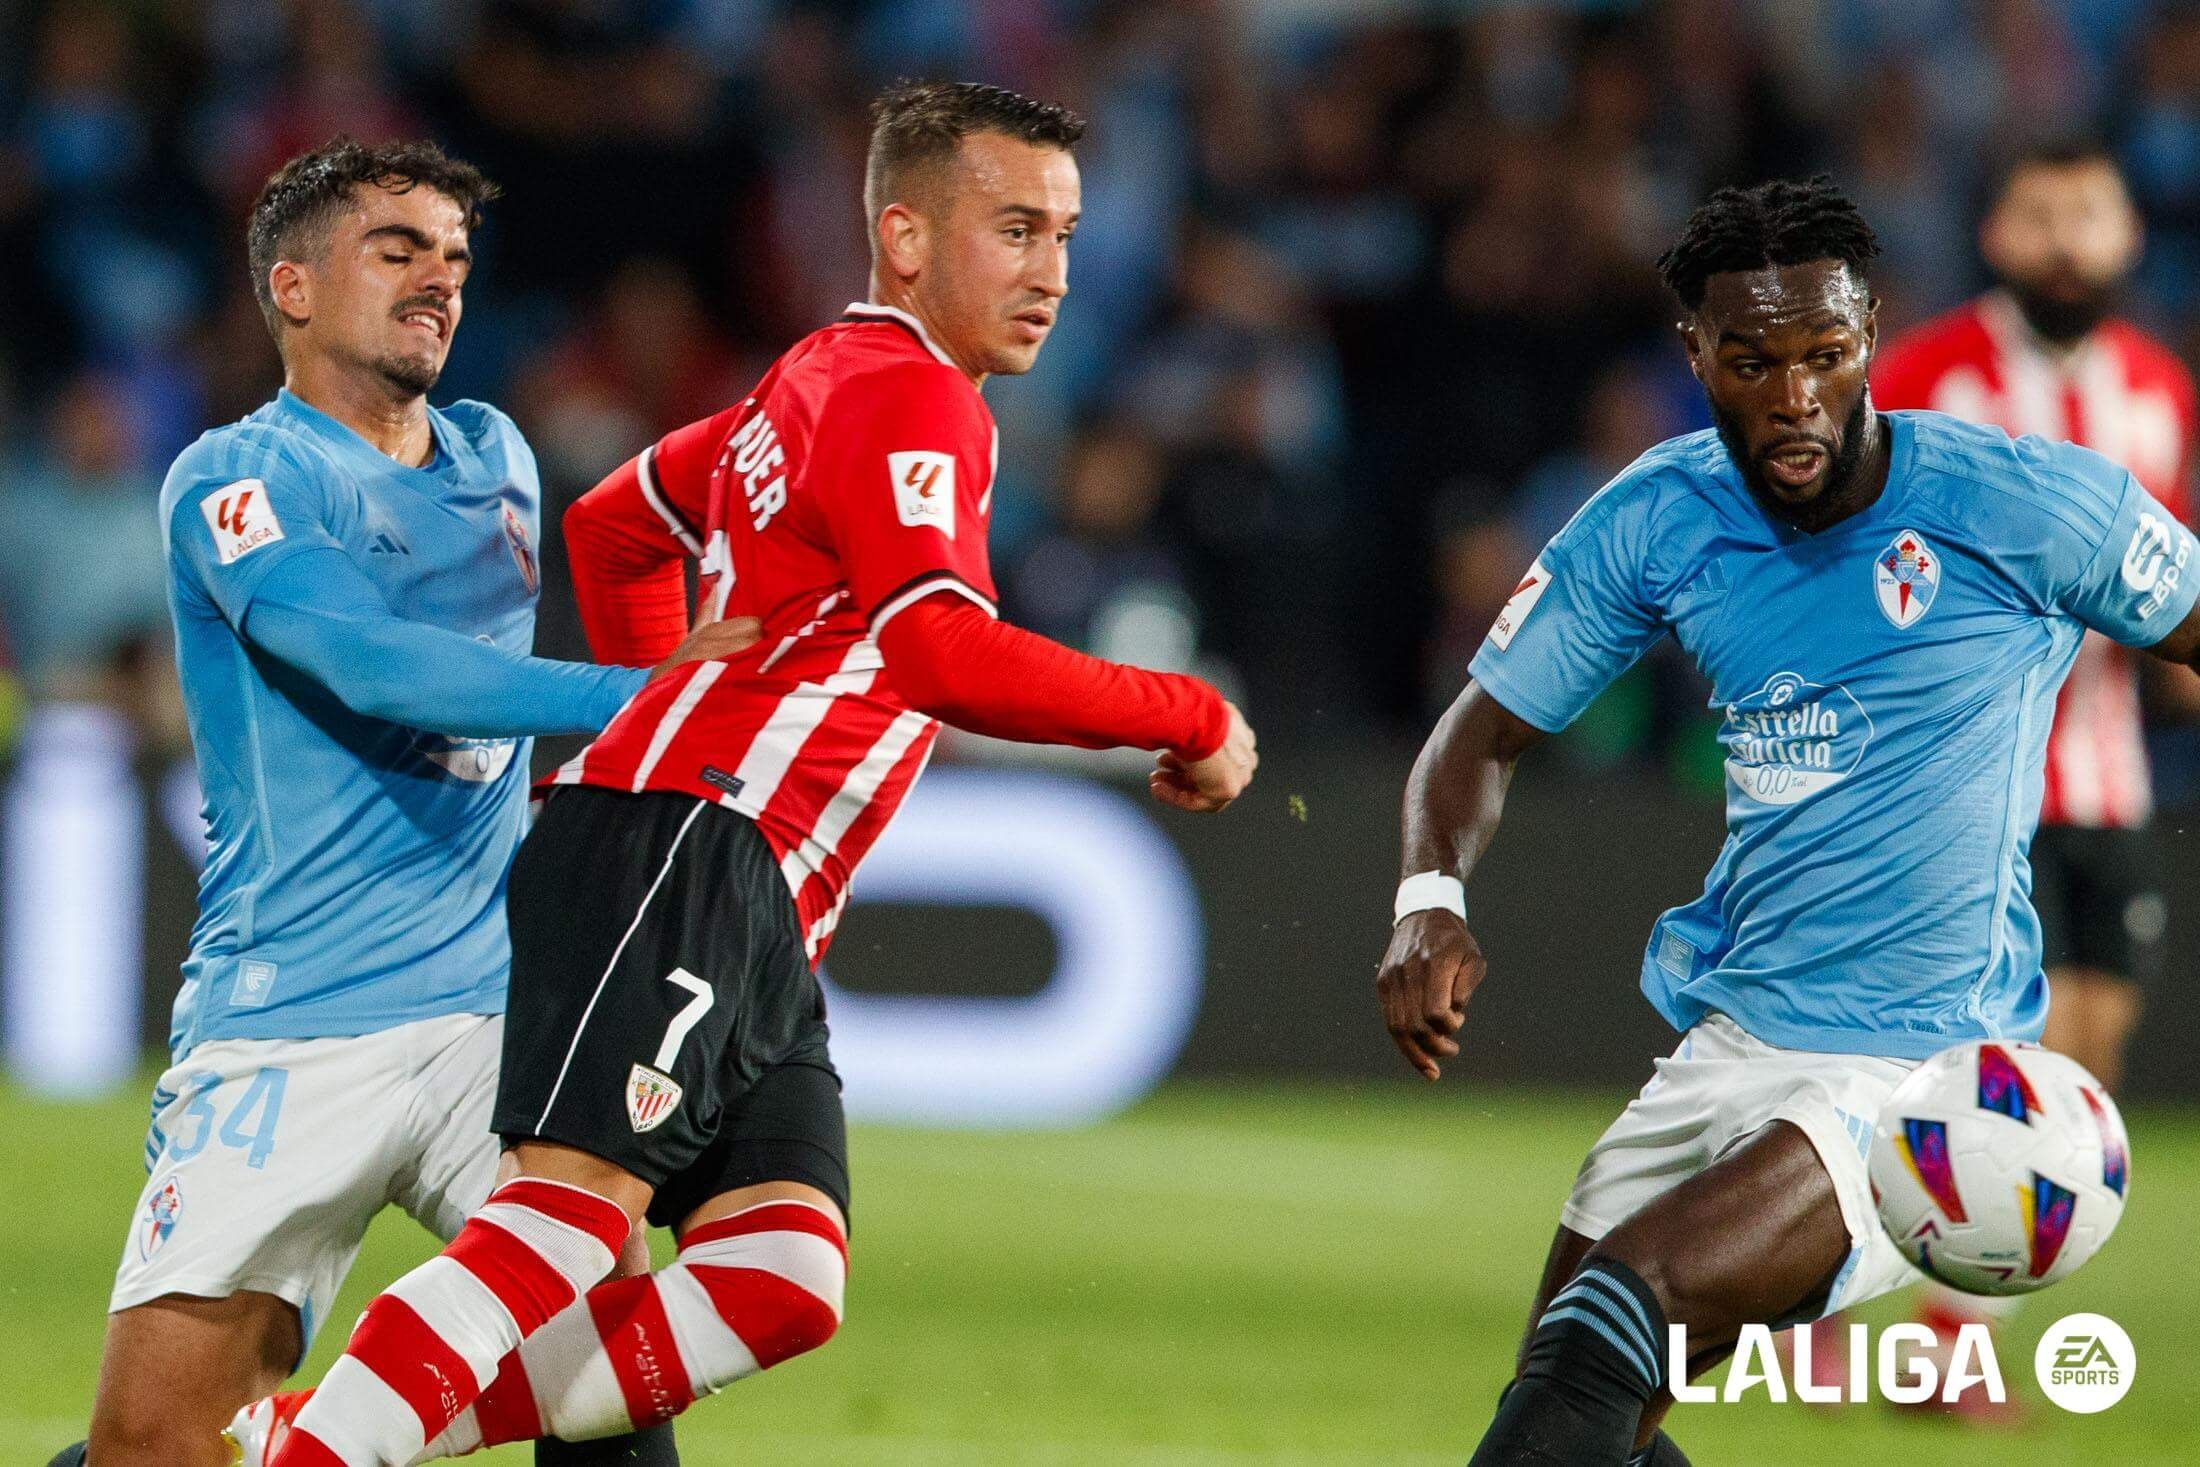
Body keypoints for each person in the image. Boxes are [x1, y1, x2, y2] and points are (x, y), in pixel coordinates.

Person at [265, 81, 1257, 1466]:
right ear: (904, 238)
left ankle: (289, 1439)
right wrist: (1187, 711)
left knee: (783, 1274)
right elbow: (940, 655)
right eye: (1017, 229)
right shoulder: (913, 394)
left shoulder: (817, 379)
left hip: (744, 885)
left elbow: (618, 527)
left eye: (1067, 236)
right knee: (558, 1227)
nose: (1055, 272)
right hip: (694, 847)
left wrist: (674, 702)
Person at [1375, 176, 2200, 1466]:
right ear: (1692, 354)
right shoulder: (1657, 517)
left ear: (1870, 332)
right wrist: (1430, 899)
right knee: (1576, 1419)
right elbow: (1478, 735)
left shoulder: (2028, 504)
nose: (1793, 394)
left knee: (1612, 1324)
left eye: (1823, 353)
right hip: (1732, 1039)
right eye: (1750, 360)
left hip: (1914, 1072)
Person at [67, 137, 753, 1467]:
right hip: (293, 1021)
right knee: (160, 1440)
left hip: (494, 1022)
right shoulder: (235, 480)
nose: (440, 278)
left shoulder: (495, 454)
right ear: (296, 287)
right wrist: (641, 691)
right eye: (397, 250)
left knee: (604, 1373)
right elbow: (374, 663)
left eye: (453, 255)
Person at [1843, 134, 2199, 1420]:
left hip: (2109, 782)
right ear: (1995, 233)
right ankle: (1936, 1331)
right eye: (2039, 214)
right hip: (1966, 783)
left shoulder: (2158, 388)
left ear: (2126, 238)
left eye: (2087, 215)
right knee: (1991, 1052)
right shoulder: (1930, 377)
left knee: (2086, 1053)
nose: (2064, 240)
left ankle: (1925, 1306)